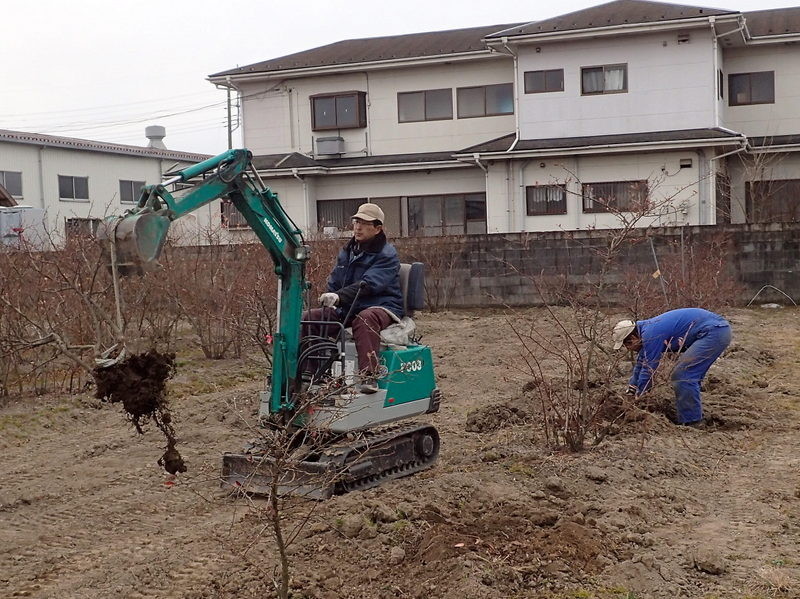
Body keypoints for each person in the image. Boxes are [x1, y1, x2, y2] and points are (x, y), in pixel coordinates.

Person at [303, 202, 403, 394]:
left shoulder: (386, 254)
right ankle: (312, 374)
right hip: (349, 306)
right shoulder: (348, 251)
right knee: (310, 318)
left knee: (365, 319)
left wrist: (339, 297)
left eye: (364, 223)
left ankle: (368, 376)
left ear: (377, 228)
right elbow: (335, 280)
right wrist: (330, 299)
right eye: (356, 221)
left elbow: (369, 284)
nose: (358, 226)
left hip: (381, 306)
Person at [612, 308, 732, 426]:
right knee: (688, 376)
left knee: (683, 375)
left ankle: (693, 421)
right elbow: (641, 363)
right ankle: (692, 413)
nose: (628, 349)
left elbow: (648, 369)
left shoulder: (651, 333)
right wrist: (631, 389)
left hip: (714, 332)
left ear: (633, 338)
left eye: (627, 345)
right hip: (715, 329)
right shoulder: (646, 330)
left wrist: (641, 398)